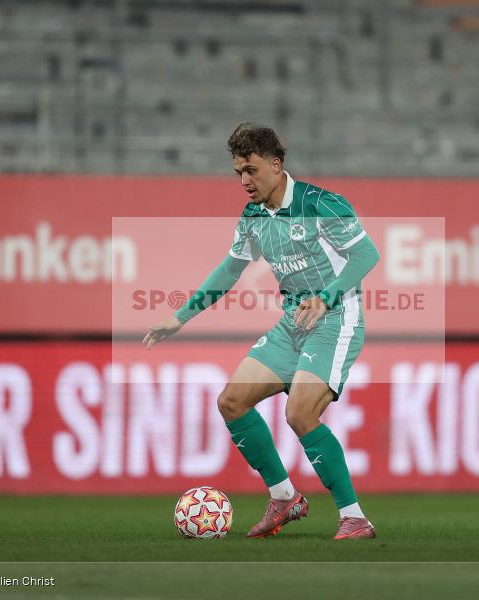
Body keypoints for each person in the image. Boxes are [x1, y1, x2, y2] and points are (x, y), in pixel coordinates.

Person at [143, 123, 380, 540]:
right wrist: (180, 317)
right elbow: (230, 269)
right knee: (232, 402)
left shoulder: (320, 203)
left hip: (335, 319)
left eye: (251, 170)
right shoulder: (253, 216)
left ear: (276, 164)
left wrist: (325, 297)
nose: (244, 181)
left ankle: (354, 517)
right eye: (238, 172)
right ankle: (284, 497)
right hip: (292, 324)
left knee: (299, 413)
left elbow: (366, 253)